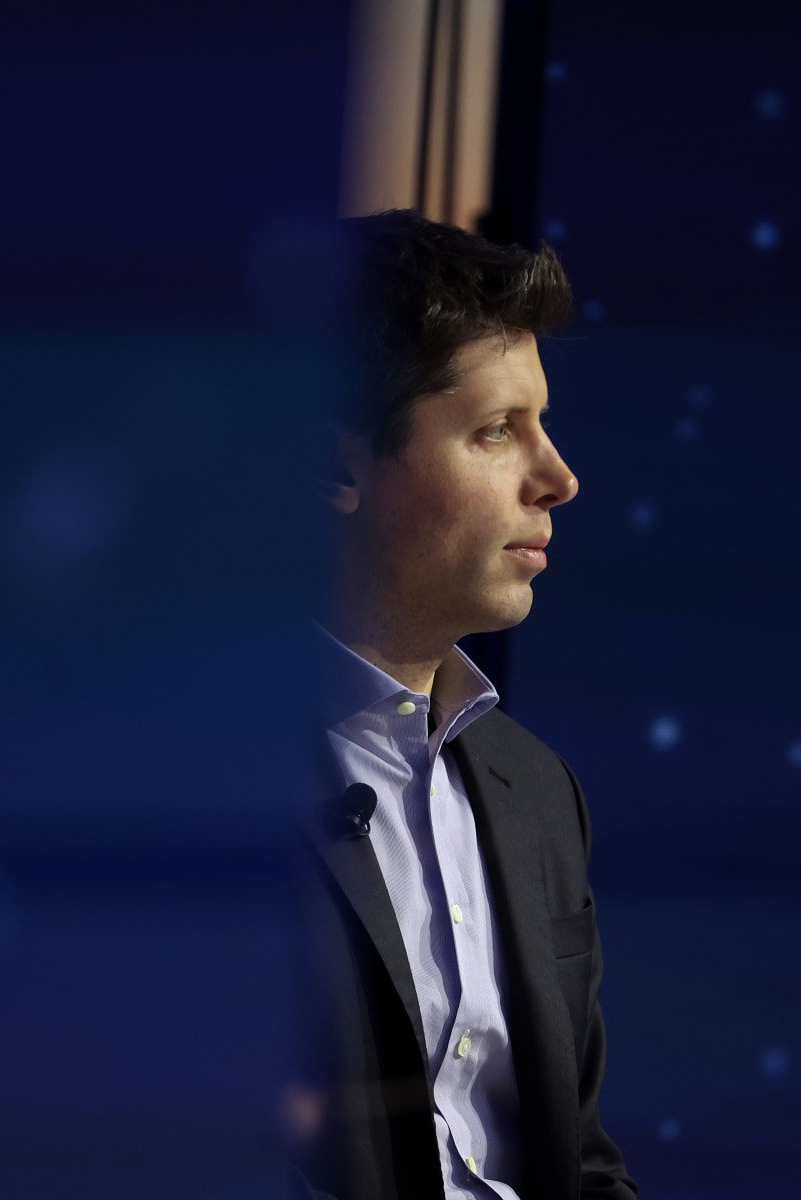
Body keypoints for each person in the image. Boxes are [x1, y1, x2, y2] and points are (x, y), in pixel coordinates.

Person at [286, 210, 637, 1199]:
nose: (558, 478)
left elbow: (584, 1165)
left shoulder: (537, 792)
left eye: (543, 424)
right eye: (496, 432)